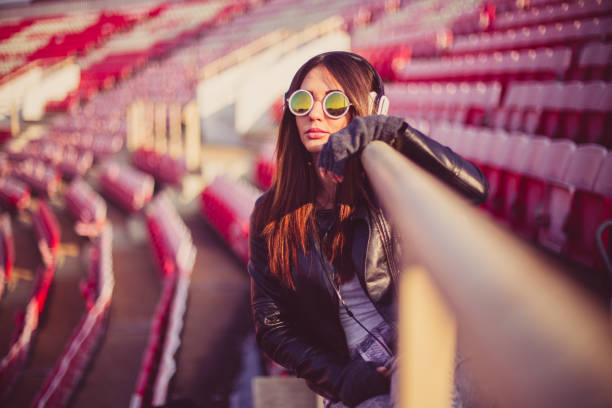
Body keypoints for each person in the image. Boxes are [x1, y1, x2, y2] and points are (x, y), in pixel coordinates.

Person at [248, 51, 489, 407]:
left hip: (429, 355)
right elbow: (272, 326)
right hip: (357, 379)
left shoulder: (386, 185)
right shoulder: (271, 214)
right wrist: (338, 377)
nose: (314, 113)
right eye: (302, 101)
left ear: (364, 109)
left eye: (334, 103)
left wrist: (389, 132)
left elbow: (473, 190)